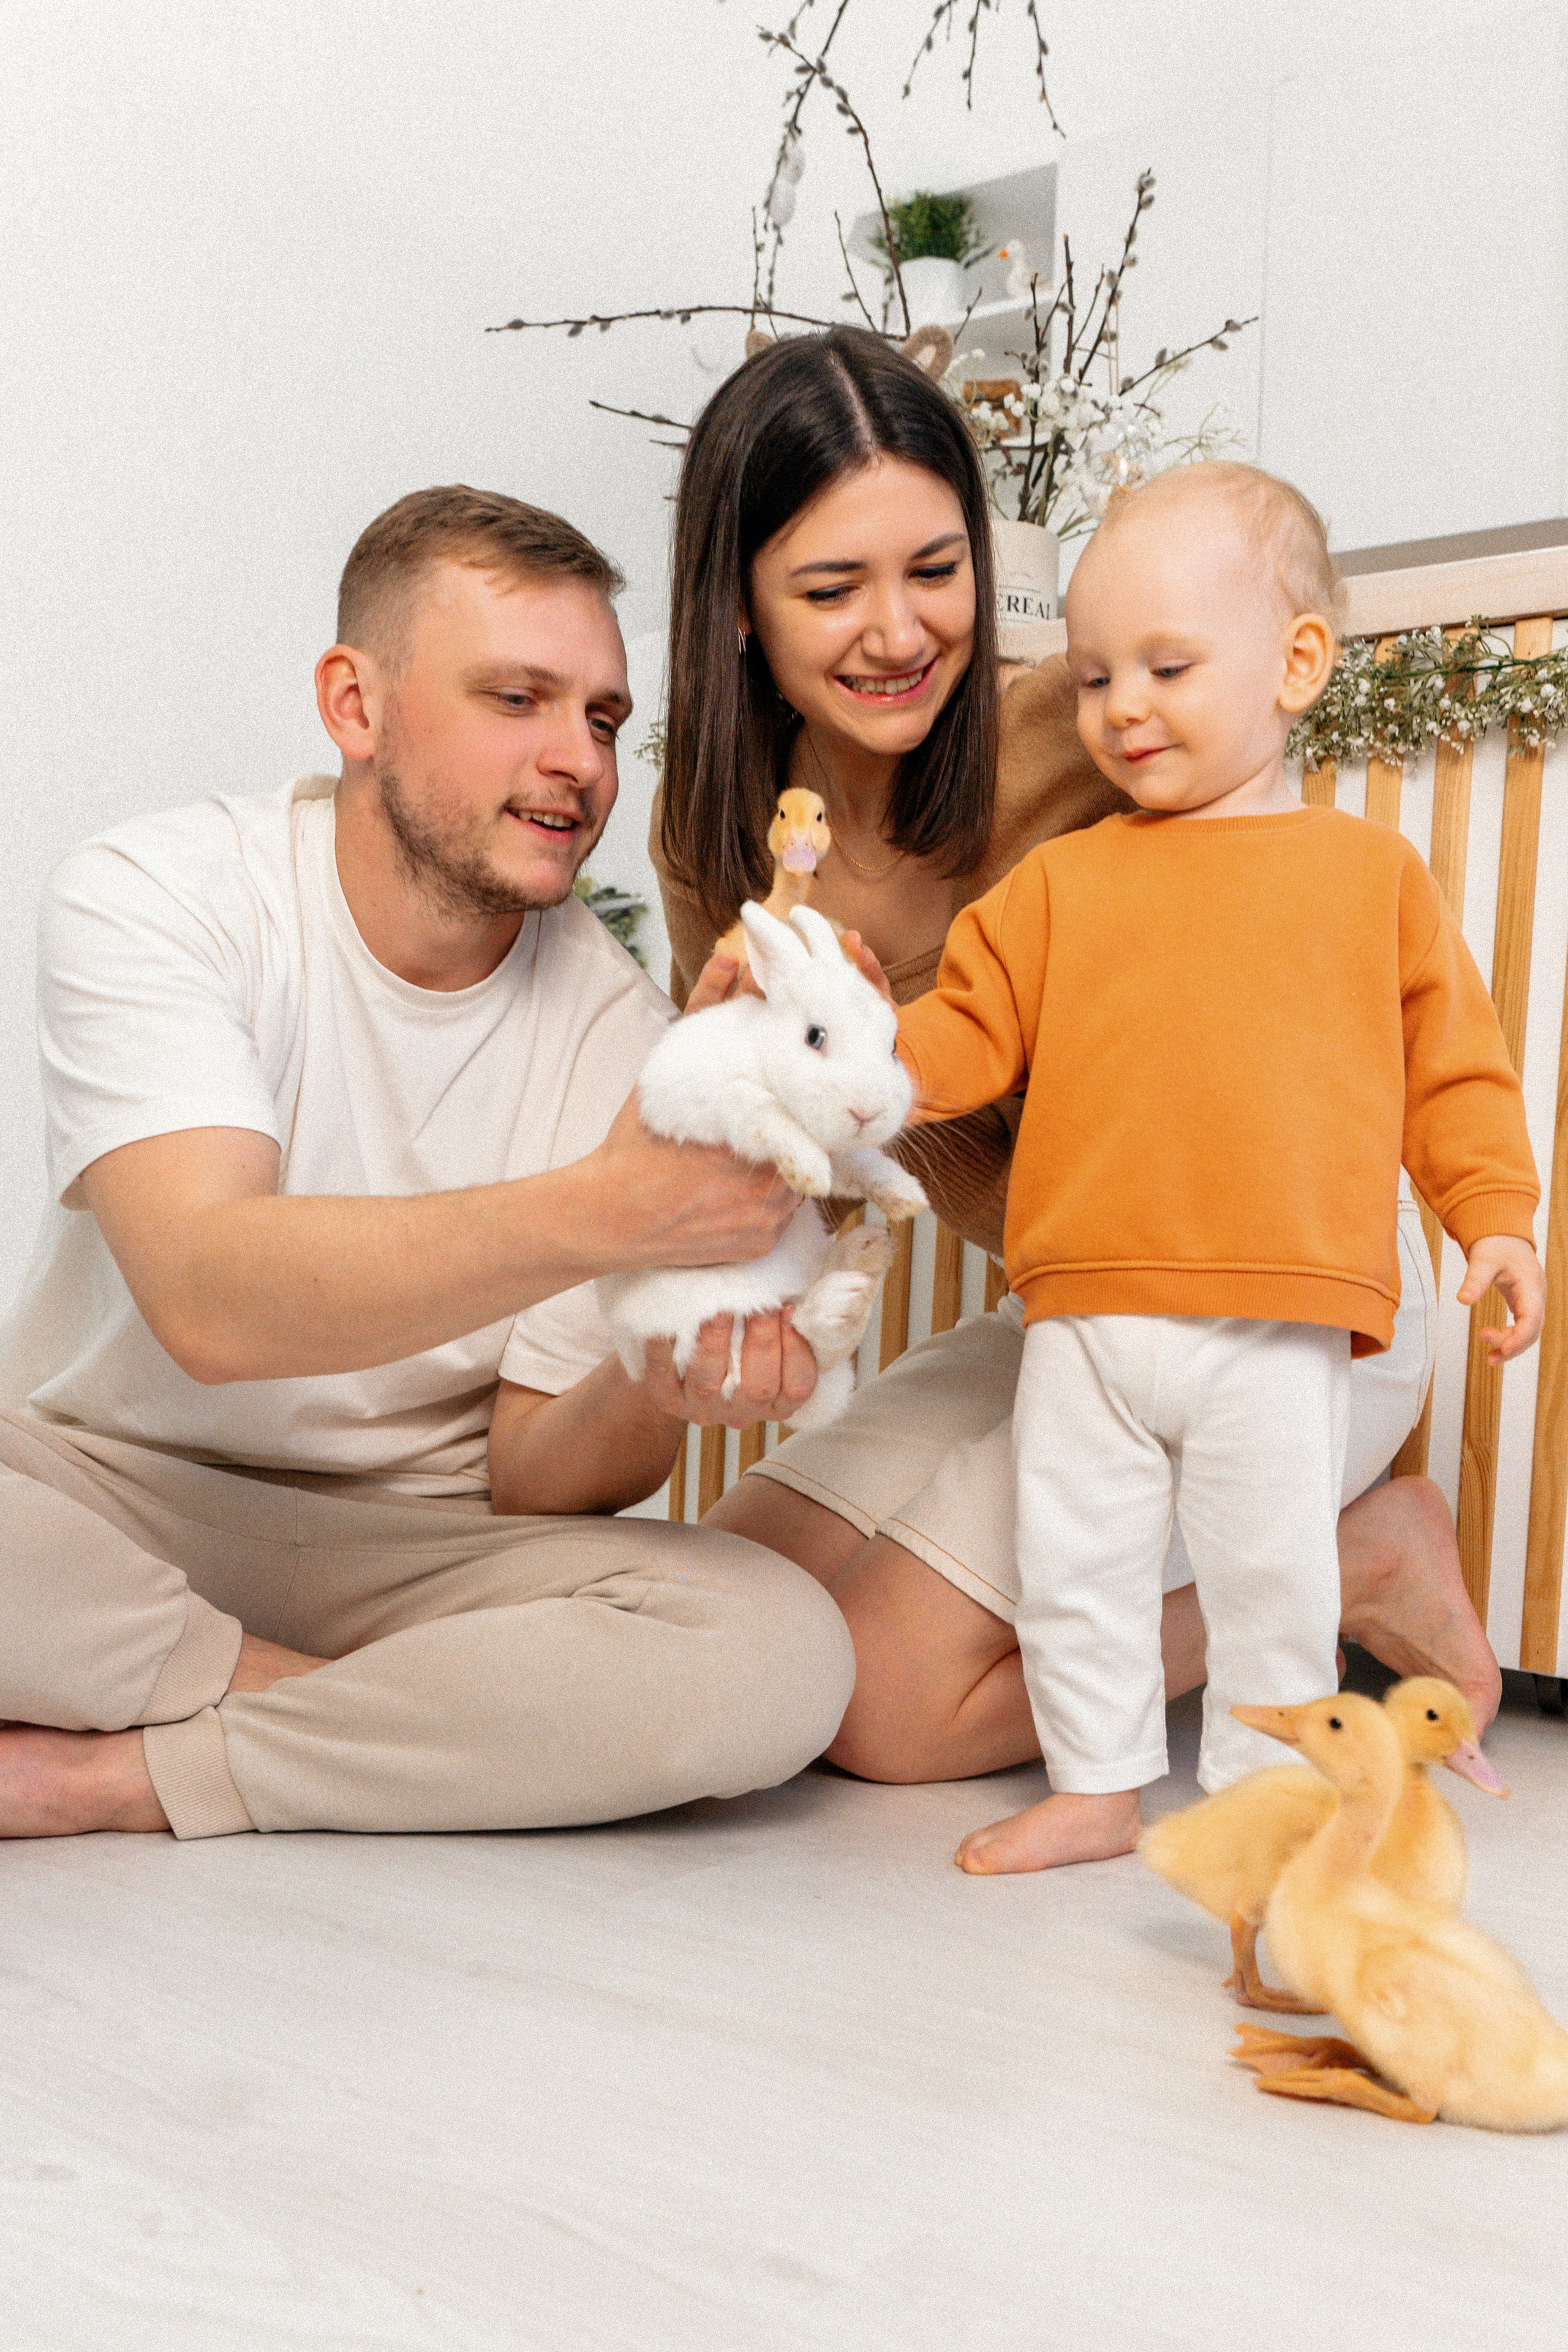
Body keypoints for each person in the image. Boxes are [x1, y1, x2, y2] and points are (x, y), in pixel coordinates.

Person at [649, 326, 1507, 1801]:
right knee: (729, 1606)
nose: (897, 630)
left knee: (889, 1714)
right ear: (737, 611)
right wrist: (770, 1085)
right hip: (1080, 1313)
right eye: (829, 587)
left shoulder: (1082, 724)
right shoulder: (722, 847)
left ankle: (1356, 1555)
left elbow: (1286, 903)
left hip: (1272, 1293)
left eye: (934, 569)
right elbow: (811, 1175)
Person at [0, 484, 855, 1842]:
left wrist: (664, 1382)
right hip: (99, 1496)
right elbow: (210, 1301)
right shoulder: (157, 897)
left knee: (776, 1648)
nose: (576, 758)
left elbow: (531, 1477)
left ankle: (113, 1769)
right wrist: (603, 1212)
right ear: (355, 704)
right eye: (516, 699)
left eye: (601, 719)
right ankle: (322, 1712)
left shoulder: (619, 1033)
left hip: (412, 1549)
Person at [895, 461, 1542, 1871]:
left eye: (1165, 666)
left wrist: (1493, 1218)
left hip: (1271, 1311)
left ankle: (1261, 1803)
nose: (1120, 707)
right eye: (1089, 678)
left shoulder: (1363, 879)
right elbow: (951, 1042)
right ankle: (1095, 1783)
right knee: (1078, 1567)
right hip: (1083, 1314)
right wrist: (830, 1052)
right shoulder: (1057, 888)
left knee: (1266, 1578)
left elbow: (1454, 1069)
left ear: (1294, 662)